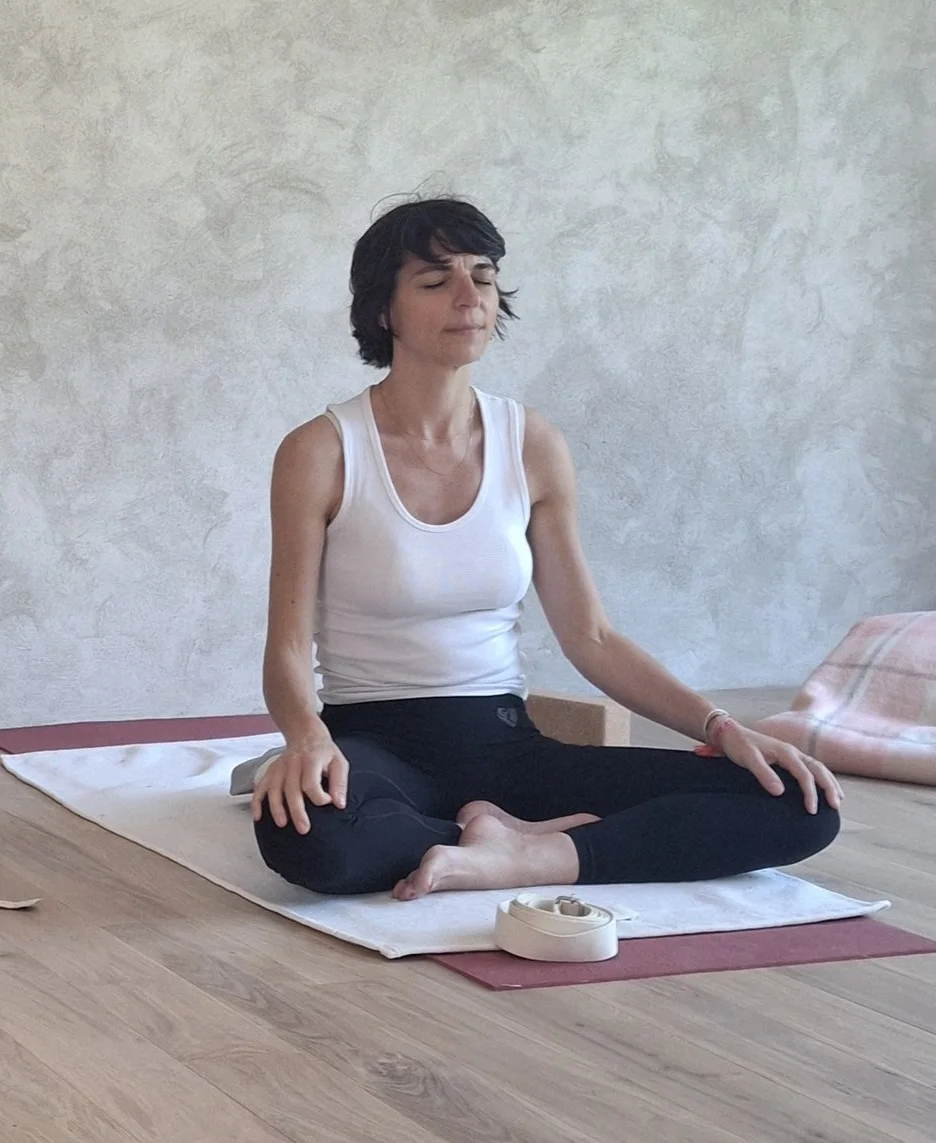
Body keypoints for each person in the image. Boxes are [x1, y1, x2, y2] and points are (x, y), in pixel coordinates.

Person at [253, 197, 842, 901]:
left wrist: (724, 726)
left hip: (506, 747)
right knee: (304, 833)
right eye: (436, 281)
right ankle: (510, 837)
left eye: (484, 275)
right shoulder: (320, 452)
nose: (470, 298)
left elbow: (590, 637)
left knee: (797, 801)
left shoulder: (531, 445)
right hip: (373, 747)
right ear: (383, 310)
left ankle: (520, 856)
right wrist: (306, 740)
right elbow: (287, 650)